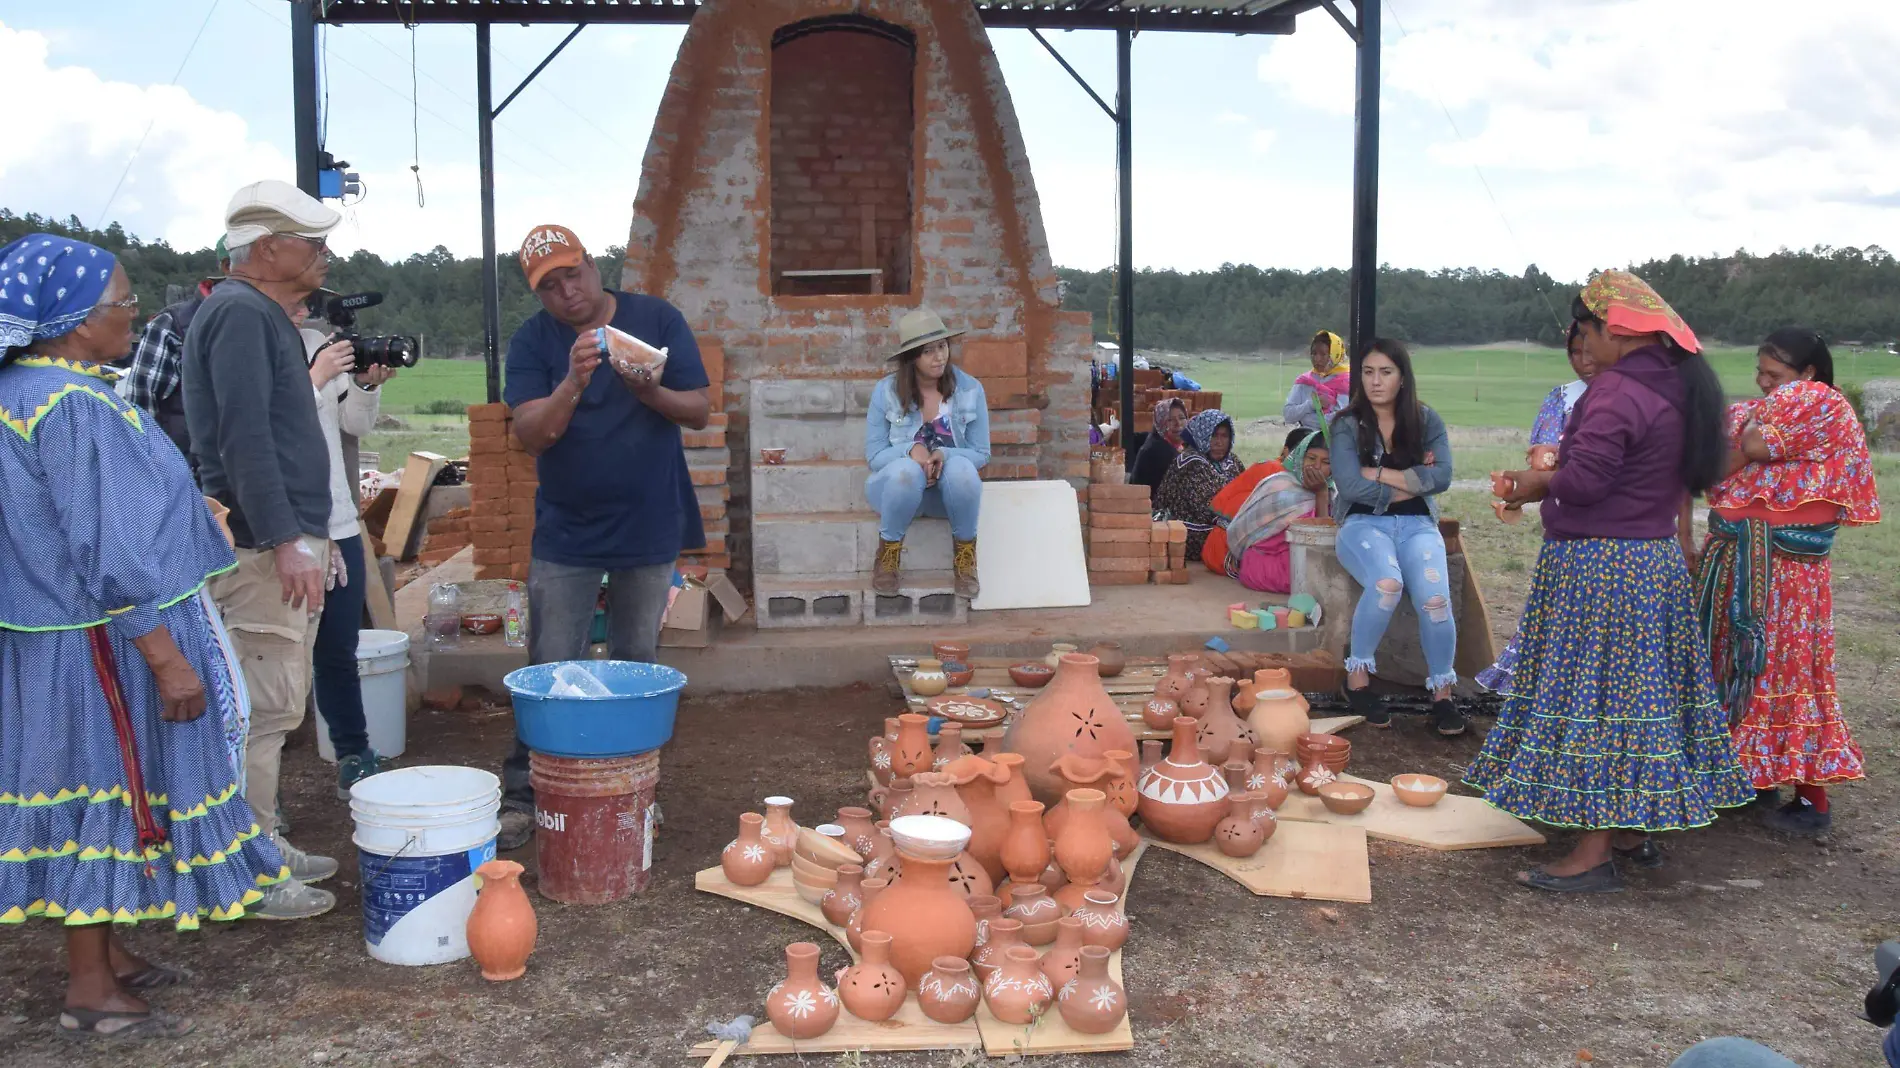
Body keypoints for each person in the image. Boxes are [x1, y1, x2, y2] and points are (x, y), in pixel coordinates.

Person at [0, 235, 290, 1038]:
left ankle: (108, 952)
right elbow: (106, 550)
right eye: (120, 302)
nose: (132, 311)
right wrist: (165, 659)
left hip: (52, 639)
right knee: (107, 785)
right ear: (72, 321)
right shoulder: (73, 407)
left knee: (95, 789)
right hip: (103, 642)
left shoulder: (21, 390)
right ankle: (89, 988)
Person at [1465, 270, 1752, 893]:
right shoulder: (1678, 385)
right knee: (1637, 703)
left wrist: (1537, 479)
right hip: (1648, 563)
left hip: (1602, 567)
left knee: (1597, 702)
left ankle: (1592, 854)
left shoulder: (1618, 390)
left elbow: (1589, 482)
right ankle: (1627, 829)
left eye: (1585, 331)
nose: (1582, 345)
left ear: (1614, 329)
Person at [501, 224, 710, 850]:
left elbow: (698, 409)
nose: (568, 291)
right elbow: (530, 435)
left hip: (649, 521)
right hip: (567, 530)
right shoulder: (534, 342)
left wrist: (649, 389)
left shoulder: (655, 317)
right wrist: (572, 381)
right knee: (548, 665)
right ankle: (526, 791)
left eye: (574, 274)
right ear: (540, 296)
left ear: (594, 266)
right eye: (551, 286)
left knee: (635, 663)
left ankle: (629, 789)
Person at [184, 180, 346, 918]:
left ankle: (259, 841)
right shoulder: (241, 315)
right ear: (268, 247)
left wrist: (315, 537)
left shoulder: (257, 314)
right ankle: (245, 867)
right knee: (260, 709)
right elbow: (243, 440)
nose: (323, 255)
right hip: (257, 550)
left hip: (279, 541)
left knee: (277, 709)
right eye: (311, 243)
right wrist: (286, 540)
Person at [1696, 329, 1880, 836]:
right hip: (1744, 559)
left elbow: (1749, 444)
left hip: (1785, 573)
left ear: (1809, 375)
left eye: (1775, 375)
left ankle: (1810, 798)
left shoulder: (1820, 402)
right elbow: (1712, 464)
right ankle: (1752, 778)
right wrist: (1750, 443)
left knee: (1784, 668)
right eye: (1760, 372)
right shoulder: (1763, 407)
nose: (1763, 383)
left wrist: (1751, 443)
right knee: (1738, 662)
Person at [288, 293, 399, 797]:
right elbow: (274, 424)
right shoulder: (248, 348)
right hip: (285, 525)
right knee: (278, 655)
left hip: (337, 518)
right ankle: (262, 792)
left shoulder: (315, 341)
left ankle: (354, 754)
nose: (301, 310)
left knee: (339, 649)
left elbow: (352, 425)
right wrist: (312, 378)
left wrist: (362, 385)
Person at [1328, 339, 1460, 735]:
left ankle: (1443, 694)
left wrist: (1380, 473)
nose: (1375, 381)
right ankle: (1358, 682)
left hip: (1419, 525)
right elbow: (1349, 487)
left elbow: (1444, 478)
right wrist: (1414, 481)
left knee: (1435, 600)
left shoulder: (1425, 421)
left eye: (1386, 372)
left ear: (1403, 377)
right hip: (1363, 525)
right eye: (1368, 372)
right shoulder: (1347, 424)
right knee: (1387, 584)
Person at [1477, 322, 1601, 693]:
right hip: (1566, 522)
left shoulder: (1628, 400)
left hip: (1611, 529)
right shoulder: (1562, 398)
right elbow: (1541, 461)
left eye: (1590, 351)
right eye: (1574, 353)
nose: (1583, 361)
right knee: (1558, 611)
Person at [864, 308, 989, 597]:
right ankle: (888, 557)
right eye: (928, 351)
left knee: (962, 468)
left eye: (942, 347)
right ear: (912, 358)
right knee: (906, 471)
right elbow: (874, 456)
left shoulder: (971, 390)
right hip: (895, 492)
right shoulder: (886, 392)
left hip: (947, 496)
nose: (939, 357)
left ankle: (965, 559)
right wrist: (911, 450)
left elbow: (981, 453)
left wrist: (946, 454)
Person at [117, 235, 229, 473]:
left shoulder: (271, 321)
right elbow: (140, 411)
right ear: (228, 266)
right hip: (189, 478)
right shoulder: (173, 324)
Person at [1219, 429, 1333, 593]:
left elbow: (1325, 547)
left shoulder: (1334, 493)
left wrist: (1322, 494)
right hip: (1266, 562)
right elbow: (1247, 530)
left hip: (1306, 560)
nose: (1316, 467)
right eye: (1311, 458)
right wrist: (1321, 495)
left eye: (1326, 462)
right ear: (1301, 458)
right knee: (1314, 579)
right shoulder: (1279, 484)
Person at [1153, 408, 1243, 563]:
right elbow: (1207, 510)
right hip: (1189, 530)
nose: (1219, 442)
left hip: (1224, 520)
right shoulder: (1191, 462)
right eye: (1213, 435)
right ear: (1203, 434)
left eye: (1224, 436)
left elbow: (1246, 489)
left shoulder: (1231, 461)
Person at [1282, 329, 1350, 431]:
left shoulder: (1346, 381)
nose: (1317, 359)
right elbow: (1288, 415)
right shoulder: (1304, 381)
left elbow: (1342, 420)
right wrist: (1311, 405)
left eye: (1323, 354)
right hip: (1305, 440)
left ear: (1334, 355)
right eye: (1314, 353)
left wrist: (1305, 418)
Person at [1130, 397, 1186, 490]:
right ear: (1160, 423)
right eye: (1170, 420)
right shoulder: (1160, 451)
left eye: (1182, 418)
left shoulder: (1163, 441)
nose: (1178, 423)